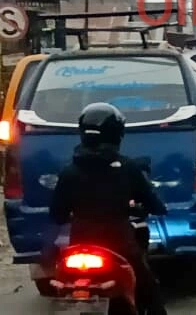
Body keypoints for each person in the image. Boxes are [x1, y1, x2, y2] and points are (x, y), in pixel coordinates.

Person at [49, 103, 168, 315]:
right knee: (149, 288)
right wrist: (150, 208)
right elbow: (155, 204)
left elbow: (57, 215)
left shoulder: (69, 172)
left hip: (79, 247)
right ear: (116, 134)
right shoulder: (128, 168)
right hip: (120, 245)